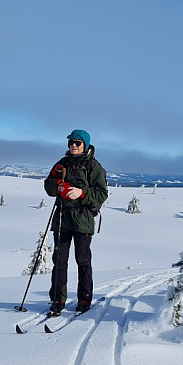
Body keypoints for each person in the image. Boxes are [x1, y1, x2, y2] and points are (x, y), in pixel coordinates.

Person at [43, 129, 108, 315]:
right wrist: (58, 187)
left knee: (83, 261)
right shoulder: (62, 164)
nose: (73, 145)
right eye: (71, 142)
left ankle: (84, 300)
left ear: (85, 145)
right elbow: (48, 185)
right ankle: (57, 300)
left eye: (77, 143)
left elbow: (102, 194)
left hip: (83, 219)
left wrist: (82, 193)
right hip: (62, 219)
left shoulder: (93, 166)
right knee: (59, 262)